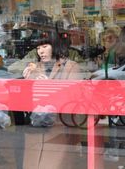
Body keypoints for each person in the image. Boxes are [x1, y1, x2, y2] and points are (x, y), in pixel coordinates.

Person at [22, 32, 81, 169]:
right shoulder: (34, 67)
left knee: (56, 163)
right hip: (36, 126)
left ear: (55, 46)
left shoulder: (70, 66)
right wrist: (26, 78)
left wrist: (51, 86)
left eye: (44, 46)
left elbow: (74, 97)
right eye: (38, 48)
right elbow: (27, 97)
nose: (41, 51)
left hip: (61, 126)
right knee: (33, 163)